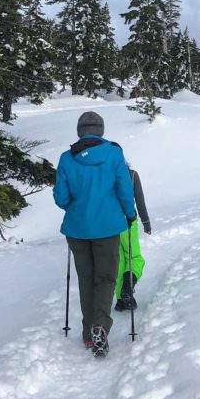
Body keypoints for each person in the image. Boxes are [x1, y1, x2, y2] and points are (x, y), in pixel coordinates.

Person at [53, 111, 135, 358]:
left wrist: (76, 207)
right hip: (108, 227)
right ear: (101, 130)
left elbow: (60, 197)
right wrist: (129, 213)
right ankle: (100, 324)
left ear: (79, 131)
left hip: (77, 228)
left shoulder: (67, 158)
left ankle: (89, 334)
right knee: (106, 279)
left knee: (86, 278)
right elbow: (124, 188)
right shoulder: (113, 153)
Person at [115, 164, 152, 312]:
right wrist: (146, 223)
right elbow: (140, 201)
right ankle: (127, 289)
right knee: (134, 257)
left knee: (118, 260)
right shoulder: (132, 175)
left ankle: (120, 300)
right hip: (128, 220)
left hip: (108, 223)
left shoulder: (104, 174)